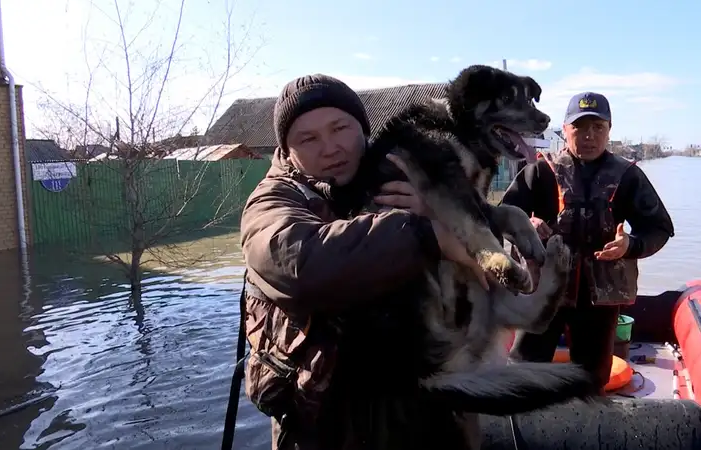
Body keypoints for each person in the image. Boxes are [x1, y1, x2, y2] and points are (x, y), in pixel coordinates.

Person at [239, 74, 489, 450]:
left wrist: (439, 212)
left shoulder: (408, 170)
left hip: (431, 414)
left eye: (340, 128)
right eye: (308, 139)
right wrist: (426, 234)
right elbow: (303, 263)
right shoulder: (272, 201)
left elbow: (492, 254)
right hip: (327, 429)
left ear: (363, 127)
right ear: (287, 151)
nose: (330, 147)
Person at [501, 91, 675, 393]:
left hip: (599, 299)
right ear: (566, 129)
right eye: (580, 127)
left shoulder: (628, 177)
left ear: (609, 130)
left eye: (598, 127)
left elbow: (659, 228)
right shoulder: (540, 171)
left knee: (593, 377)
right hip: (544, 290)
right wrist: (526, 225)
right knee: (524, 368)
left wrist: (630, 245)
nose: (589, 136)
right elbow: (503, 216)